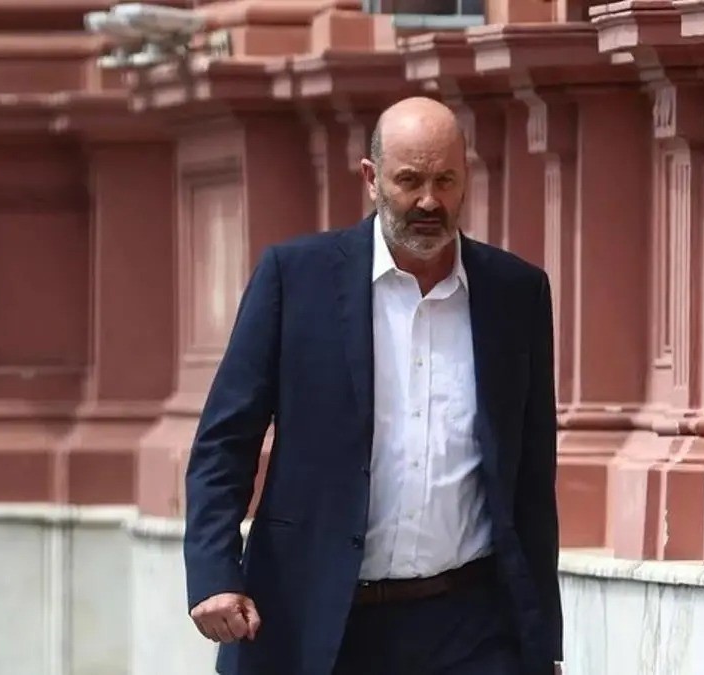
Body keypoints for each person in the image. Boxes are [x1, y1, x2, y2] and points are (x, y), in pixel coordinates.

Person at [183, 95, 563, 675]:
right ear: (371, 178)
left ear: (466, 179)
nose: (429, 201)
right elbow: (225, 441)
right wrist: (214, 574)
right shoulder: (297, 279)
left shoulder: (515, 293)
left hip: (471, 625)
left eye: (445, 180)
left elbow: (532, 479)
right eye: (409, 181)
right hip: (318, 624)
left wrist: (542, 643)